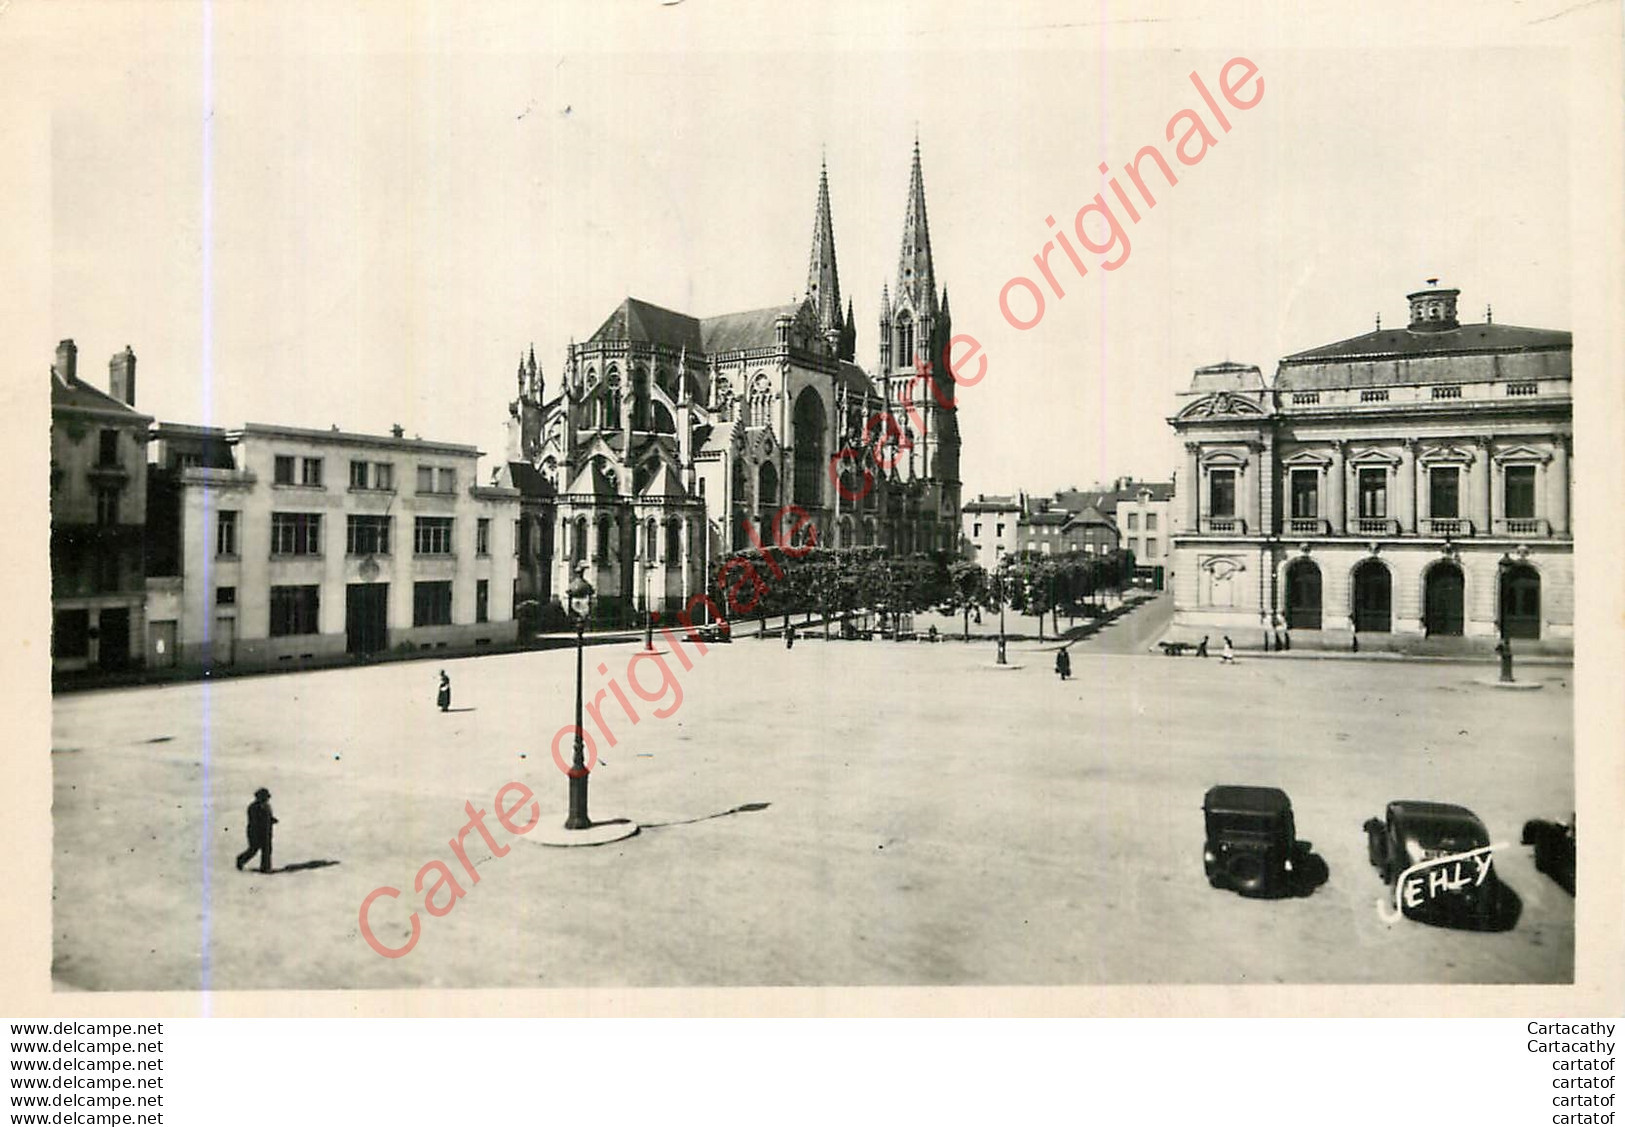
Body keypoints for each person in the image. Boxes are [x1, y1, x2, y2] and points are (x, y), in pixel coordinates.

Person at [235, 788, 277, 873]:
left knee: (267, 850)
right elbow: (254, 820)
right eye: (265, 797)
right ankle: (241, 859)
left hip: (266, 832)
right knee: (253, 849)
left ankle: (265, 867)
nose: (267, 799)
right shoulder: (253, 807)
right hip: (255, 832)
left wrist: (272, 820)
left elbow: (267, 817)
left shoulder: (267, 806)